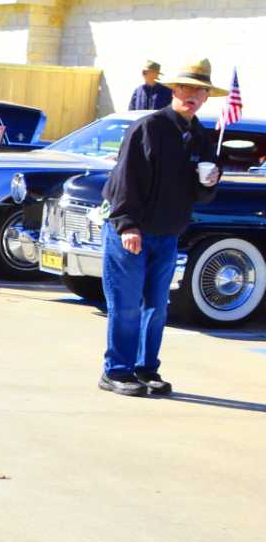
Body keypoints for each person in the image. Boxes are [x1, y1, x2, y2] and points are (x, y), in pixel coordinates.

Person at [96, 57, 222, 397]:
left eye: (200, 90)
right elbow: (125, 180)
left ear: (207, 96)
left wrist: (210, 181)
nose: (192, 95)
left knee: (156, 306)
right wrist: (126, 225)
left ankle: (146, 368)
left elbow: (200, 194)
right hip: (132, 231)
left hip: (167, 234)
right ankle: (117, 371)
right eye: (186, 87)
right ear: (173, 89)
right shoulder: (148, 128)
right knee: (125, 304)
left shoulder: (199, 136)